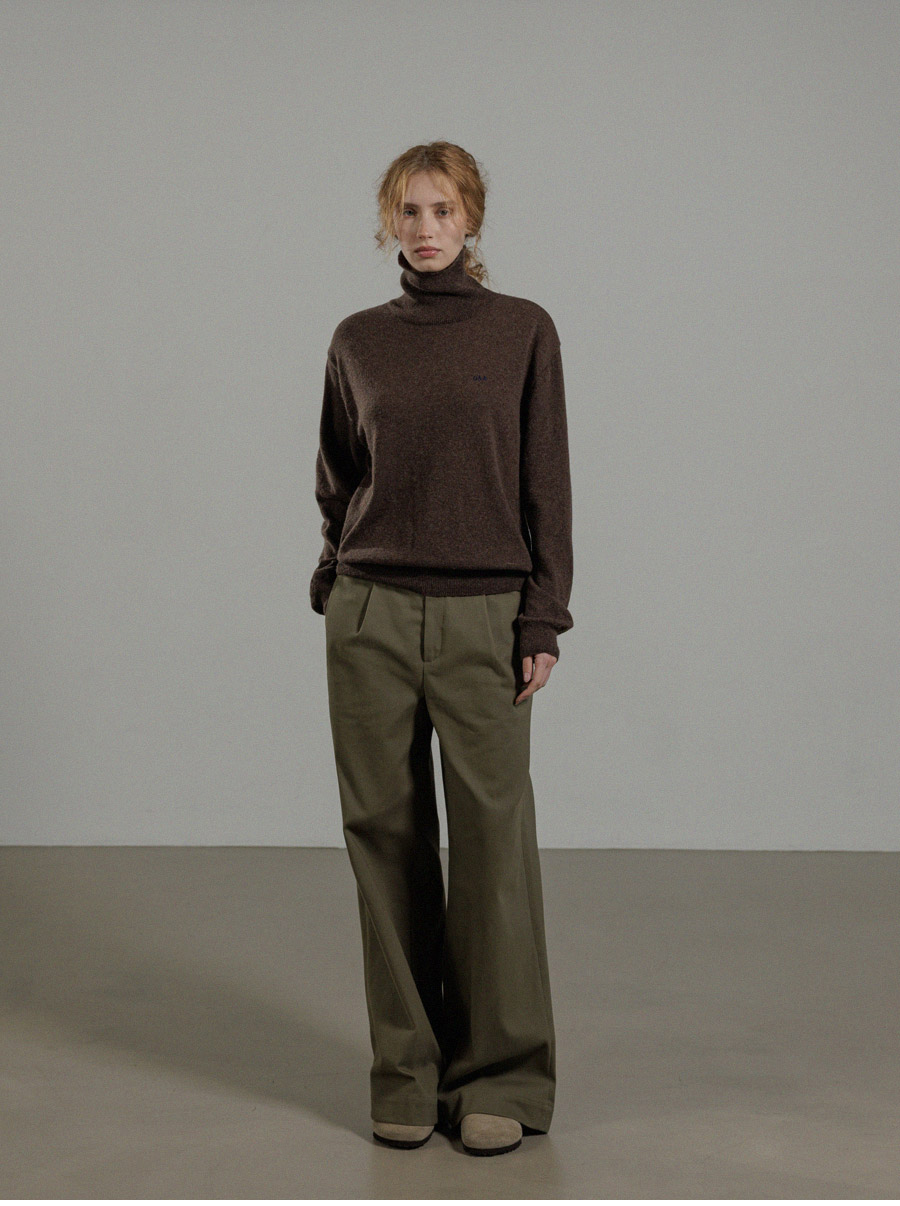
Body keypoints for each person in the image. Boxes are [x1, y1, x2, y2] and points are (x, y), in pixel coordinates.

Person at [310, 141, 573, 1157]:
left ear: (472, 220)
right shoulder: (357, 340)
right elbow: (338, 475)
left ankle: (501, 1076)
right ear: (389, 222)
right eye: (409, 212)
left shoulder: (523, 331)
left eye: (443, 211)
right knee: (384, 839)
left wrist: (542, 617)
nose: (426, 229)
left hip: (484, 617)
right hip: (371, 613)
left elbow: (547, 481)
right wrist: (334, 579)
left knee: (494, 846)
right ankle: (407, 1074)